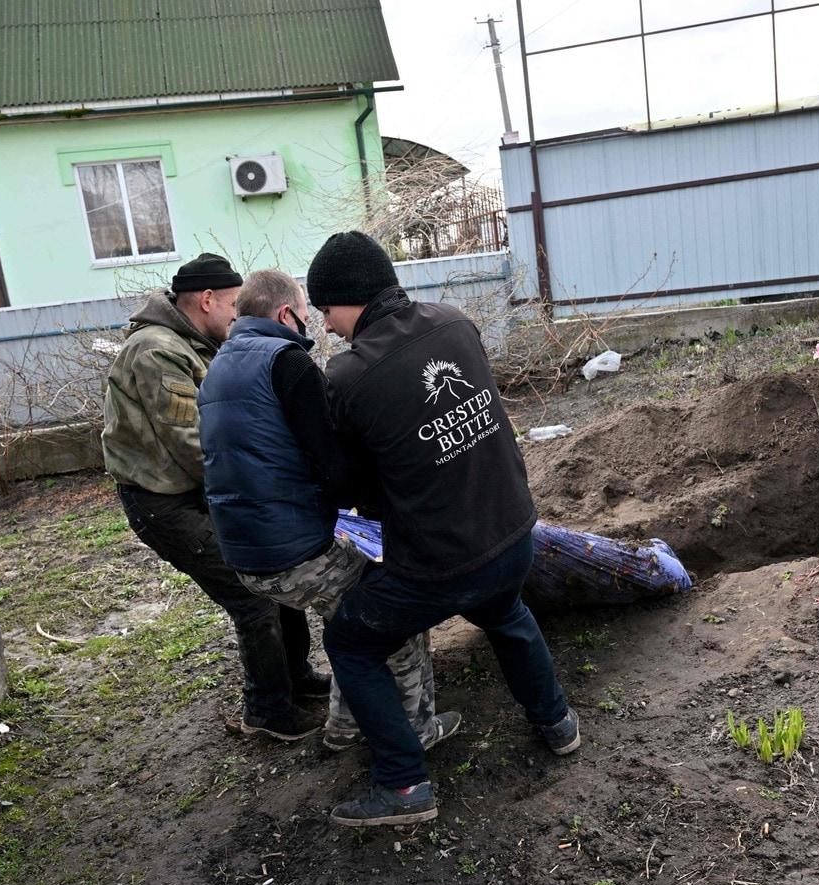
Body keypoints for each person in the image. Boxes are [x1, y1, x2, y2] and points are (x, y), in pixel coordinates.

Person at [308, 231, 579, 827]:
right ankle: (557, 722)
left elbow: (347, 484)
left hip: (441, 567)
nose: (325, 325)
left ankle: (403, 785)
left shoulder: (350, 375)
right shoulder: (455, 323)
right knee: (505, 611)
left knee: (349, 642)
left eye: (326, 310)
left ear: (350, 299)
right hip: (512, 534)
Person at [196, 269, 458, 751]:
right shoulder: (287, 362)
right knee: (395, 608)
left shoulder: (220, 365)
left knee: (348, 619)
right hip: (297, 551)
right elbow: (335, 467)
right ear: (284, 314)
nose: (314, 325)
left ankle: (345, 728)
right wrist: (386, 509)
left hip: (246, 555)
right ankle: (419, 730)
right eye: (304, 313)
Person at [101, 253, 327, 741]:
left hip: (198, 493)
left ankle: (296, 678)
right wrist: (261, 490)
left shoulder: (193, 342)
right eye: (232, 307)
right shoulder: (156, 351)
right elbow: (195, 443)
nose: (238, 317)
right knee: (252, 593)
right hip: (165, 503)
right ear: (207, 301)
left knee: (274, 571)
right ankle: (267, 712)